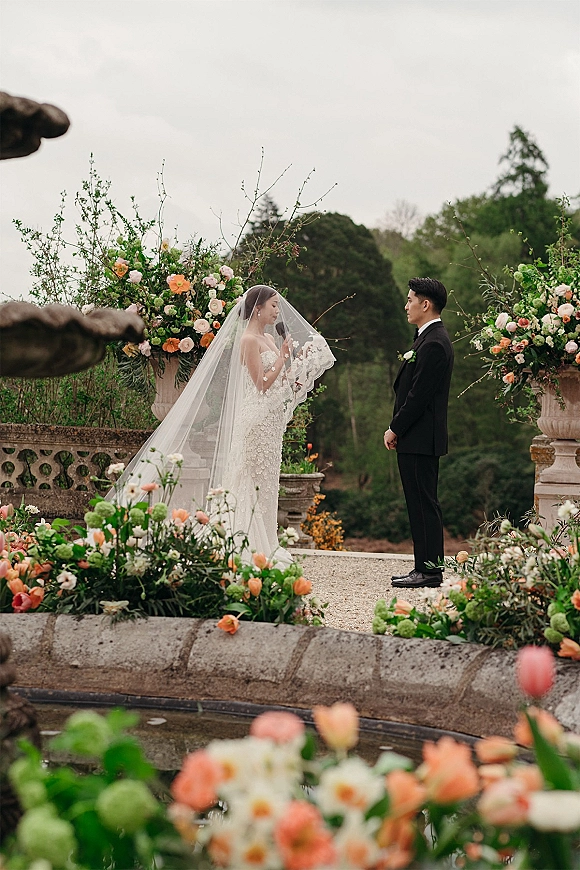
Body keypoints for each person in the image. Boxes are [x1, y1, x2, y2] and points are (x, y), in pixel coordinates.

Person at [111, 285, 335, 565]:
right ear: (258, 308)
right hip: (255, 422)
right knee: (250, 480)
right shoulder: (248, 341)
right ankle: (245, 544)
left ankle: (267, 542)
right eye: (274, 306)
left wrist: (296, 367)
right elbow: (261, 384)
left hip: (270, 423)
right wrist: (283, 357)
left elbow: (277, 379)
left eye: (278, 306)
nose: (278, 311)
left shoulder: (268, 337)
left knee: (266, 484)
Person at [384, 277, 454, 588]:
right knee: (420, 502)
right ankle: (425, 568)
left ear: (425, 304)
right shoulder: (426, 338)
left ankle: (429, 571)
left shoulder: (435, 342)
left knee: (423, 503)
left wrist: (395, 427)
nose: (406, 305)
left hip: (420, 437)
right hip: (418, 437)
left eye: (410, 299)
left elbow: (418, 396)